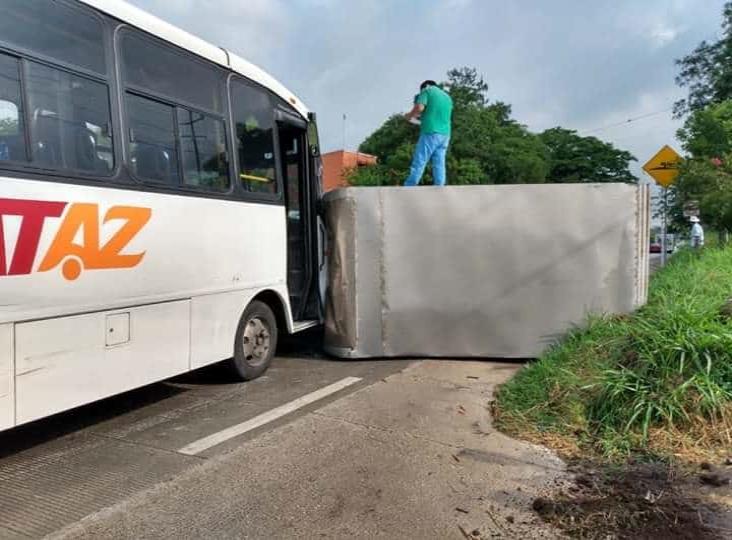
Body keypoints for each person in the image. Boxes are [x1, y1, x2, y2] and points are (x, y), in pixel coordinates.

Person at [403, 80, 453, 186]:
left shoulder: (427, 90)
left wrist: (409, 115)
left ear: (425, 87)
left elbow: (420, 108)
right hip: (445, 134)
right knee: (439, 162)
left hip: (431, 131)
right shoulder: (448, 97)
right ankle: (440, 187)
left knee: (420, 159)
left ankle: (409, 186)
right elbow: (435, 113)